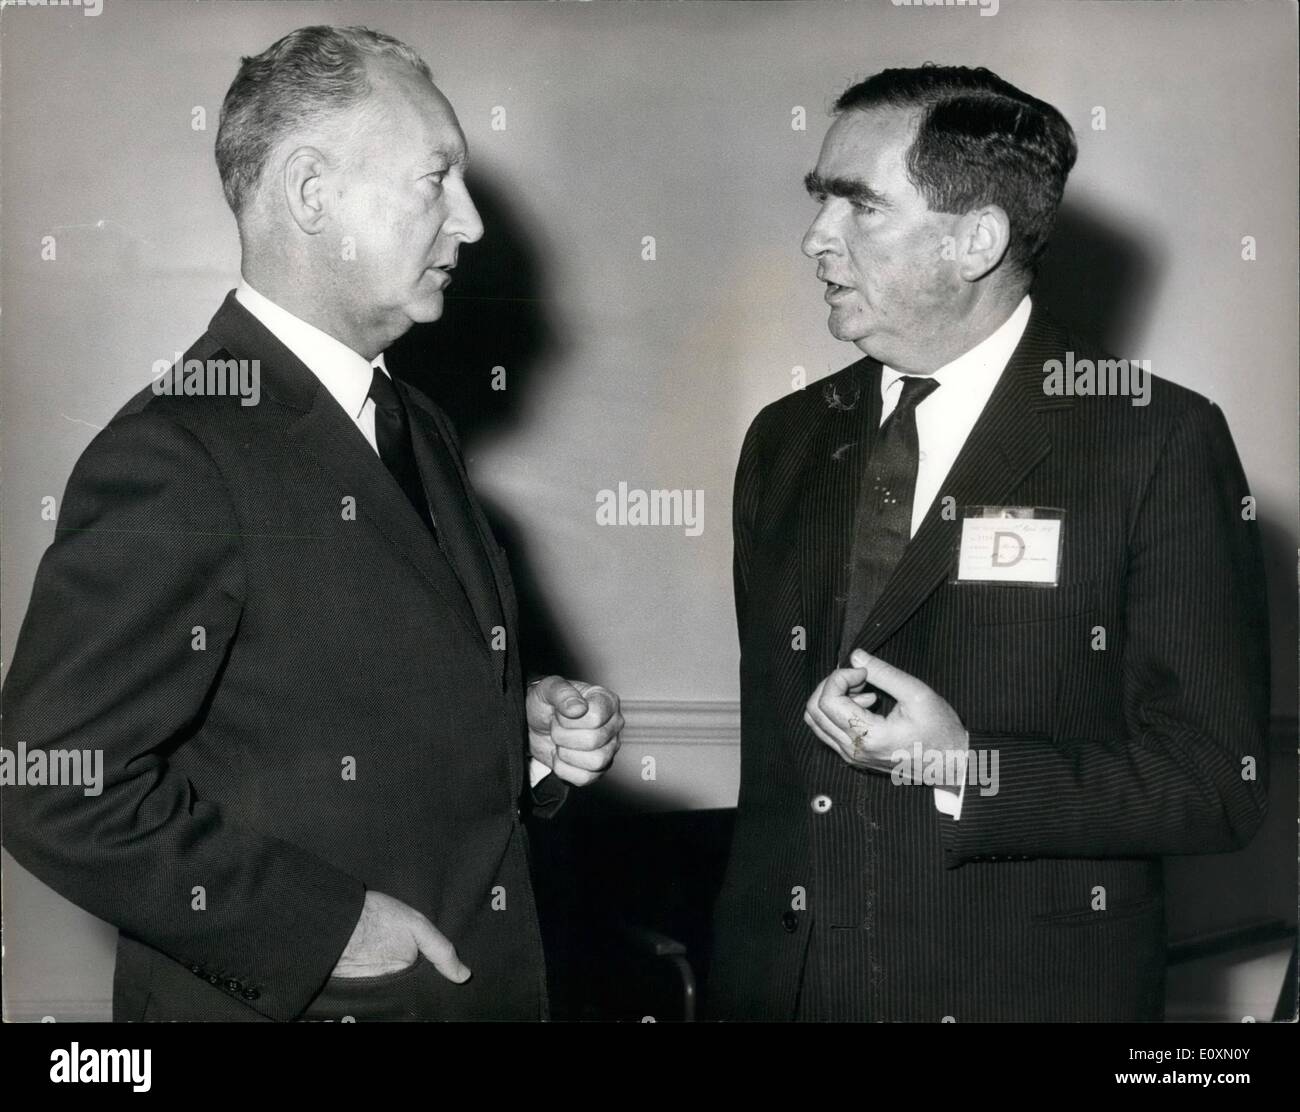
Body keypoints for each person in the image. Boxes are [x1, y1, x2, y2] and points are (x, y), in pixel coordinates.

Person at [1, 24, 622, 1022]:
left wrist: (519, 729)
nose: (467, 222)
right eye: (435, 179)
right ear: (310, 192)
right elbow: (53, 783)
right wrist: (321, 926)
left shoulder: (412, 421)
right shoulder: (175, 452)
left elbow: (331, 700)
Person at [708, 64, 1269, 1022]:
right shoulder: (786, 439)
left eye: (859, 208)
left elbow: (1215, 784)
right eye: (819, 203)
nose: (815, 240)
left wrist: (971, 768)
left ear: (977, 240)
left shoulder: (1153, 440)